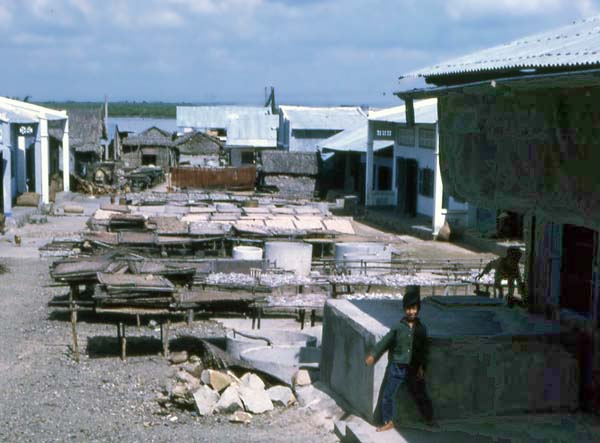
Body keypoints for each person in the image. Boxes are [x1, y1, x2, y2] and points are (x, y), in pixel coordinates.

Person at [365, 285, 435, 432]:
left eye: (414, 308)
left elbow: (424, 350)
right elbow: (385, 342)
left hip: (413, 368)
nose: (411, 312)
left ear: (418, 309)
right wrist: (373, 355)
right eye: (409, 308)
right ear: (404, 309)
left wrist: (422, 367)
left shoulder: (421, 329)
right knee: (387, 395)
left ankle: (429, 418)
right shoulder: (398, 327)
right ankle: (388, 421)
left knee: (420, 394)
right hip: (396, 367)